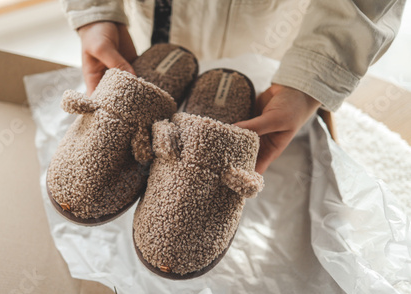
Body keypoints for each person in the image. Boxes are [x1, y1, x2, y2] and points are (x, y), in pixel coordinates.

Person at [59, 0, 405, 174]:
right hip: (163, 16)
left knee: (292, 82)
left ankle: (303, 94)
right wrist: (95, 10)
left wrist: (315, 75)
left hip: (275, 33)